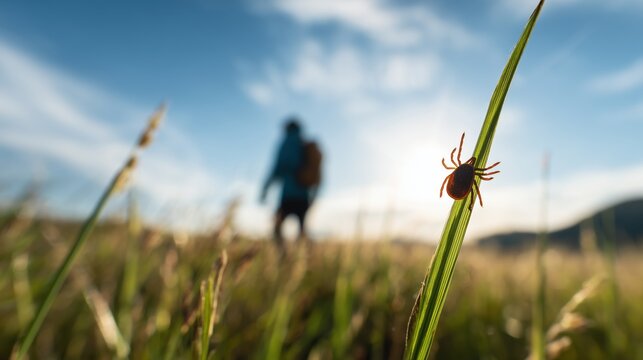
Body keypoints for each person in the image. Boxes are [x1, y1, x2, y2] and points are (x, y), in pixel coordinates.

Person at [261, 117, 321, 251]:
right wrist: (314, 195)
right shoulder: (304, 144)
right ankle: (305, 259)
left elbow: (277, 168)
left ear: (287, 128)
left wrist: (265, 189)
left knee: (277, 227)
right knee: (303, 229)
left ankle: (284, 257)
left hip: (288, 196)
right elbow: (316, 172)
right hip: (304, 196)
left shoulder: (287, 143)